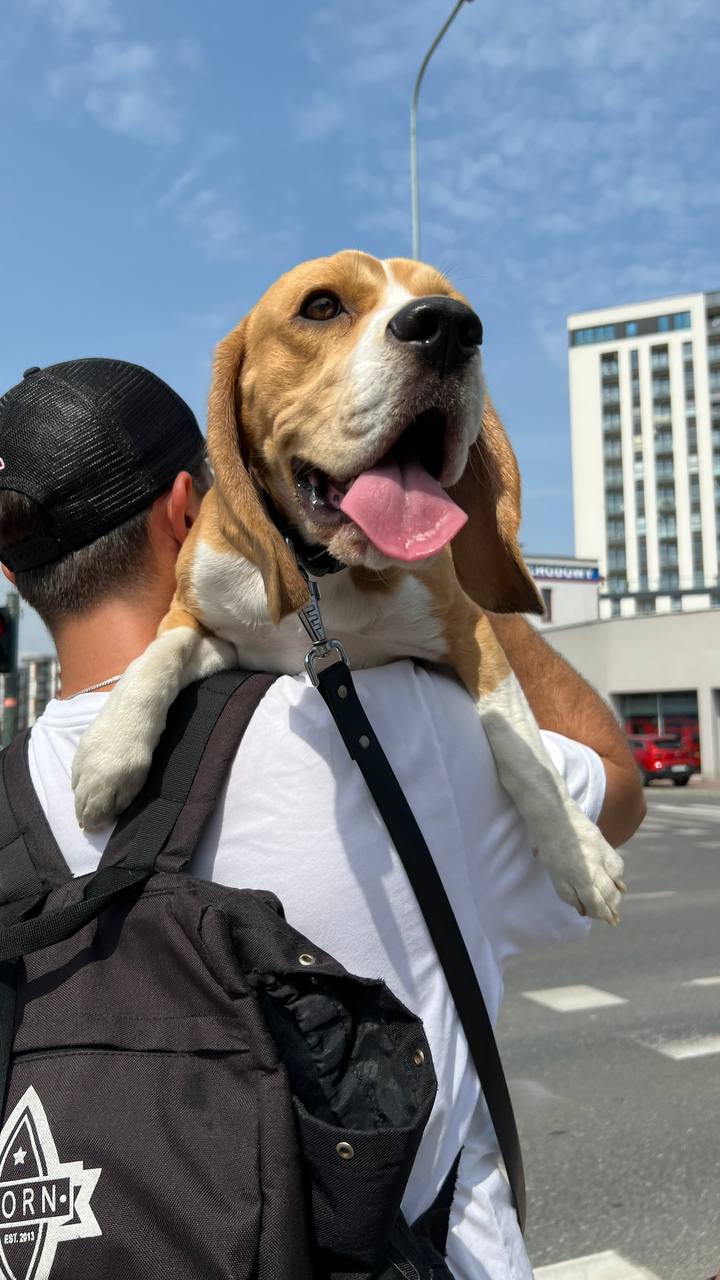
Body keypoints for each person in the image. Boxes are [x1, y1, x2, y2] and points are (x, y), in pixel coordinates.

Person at [0, 358, 645, 1280]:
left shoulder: (8, 792)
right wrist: (452, 558)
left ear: (13, 566)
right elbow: (616, 789)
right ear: (189, 510)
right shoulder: (388, 728)